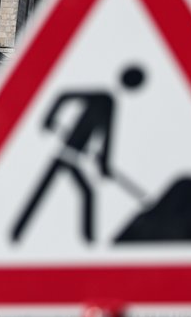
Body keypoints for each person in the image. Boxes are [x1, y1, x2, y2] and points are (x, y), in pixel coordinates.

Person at [12, 66, 145, 243]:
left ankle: (17, 232)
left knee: (52, 191)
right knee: (82, 193)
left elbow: (106, 136)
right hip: (68, 152)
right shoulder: (105, 99)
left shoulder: (108, 100)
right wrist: (49, 118)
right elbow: (65, 96)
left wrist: (103, 162)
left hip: (71, 155)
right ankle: (88, 241)